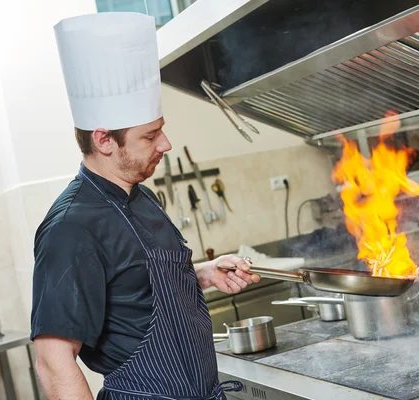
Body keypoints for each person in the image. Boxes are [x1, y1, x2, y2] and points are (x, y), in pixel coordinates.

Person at [30, 12, 260, 400]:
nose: (166, 144)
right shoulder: (71, 228)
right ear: (105, 141)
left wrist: (203, 273)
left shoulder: (141, 195)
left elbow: (134, 285)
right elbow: (53, 362)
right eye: (150, 136)